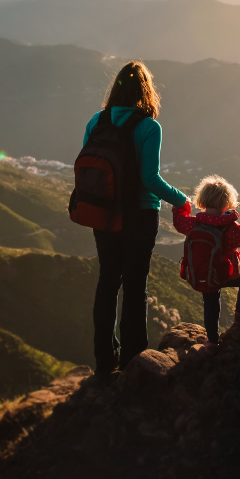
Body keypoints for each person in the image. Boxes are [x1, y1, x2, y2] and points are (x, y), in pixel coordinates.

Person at [83, 61, 189, 379]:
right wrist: (181, 199)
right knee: (135, 286)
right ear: (146, 91)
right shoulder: (148, 127)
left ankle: (104, 360)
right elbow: (149, 178)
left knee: (107, 281)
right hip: (139, 215)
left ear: (115, 88)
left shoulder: (96, 121)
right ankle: (132, 361)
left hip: (102, 213)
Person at [172, 175, 240, 351]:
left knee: (211, 306)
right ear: (227, 203)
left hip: (202, 275)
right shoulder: (230, 228)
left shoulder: (193, 223)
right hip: (225, 275)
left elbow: (178, 222)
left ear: (202, 200)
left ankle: (212, 342)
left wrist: (182, 205)